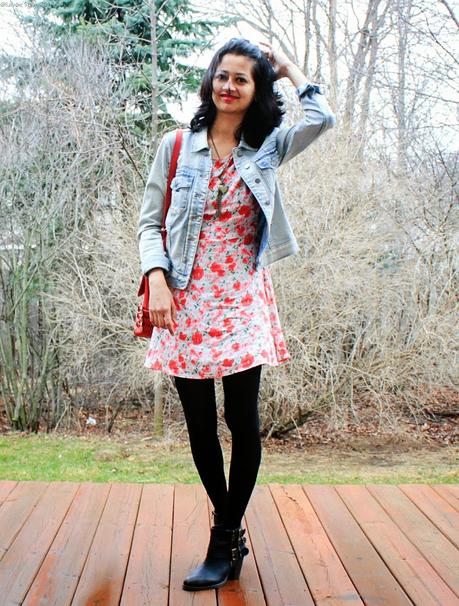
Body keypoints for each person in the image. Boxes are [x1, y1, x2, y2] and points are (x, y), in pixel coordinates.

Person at [137, 37, 335, 591]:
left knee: (240, 421)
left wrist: (290, 69)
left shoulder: (267, 149)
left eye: (242, 79)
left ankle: (223, 538)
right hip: (182, 302)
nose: (228, 86)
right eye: (222, 76)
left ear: (255, 90)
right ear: (210, 81)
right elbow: (149, 223)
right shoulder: (175, 146)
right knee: (200, 424)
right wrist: (156, 280)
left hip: (243, 299)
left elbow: (323, 116)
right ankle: (230, 531)